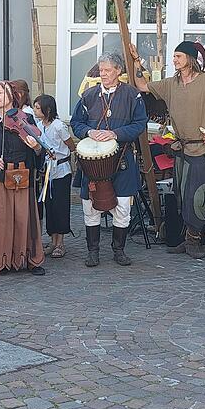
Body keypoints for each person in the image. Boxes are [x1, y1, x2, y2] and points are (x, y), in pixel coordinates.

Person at [130, 41, 205, 259]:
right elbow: (142, 85)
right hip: (181, 148)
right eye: (174, 56)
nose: (174, 60)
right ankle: (185, 239)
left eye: (178, 56)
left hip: (200, 149)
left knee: (197, 197)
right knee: (180, 196)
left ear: (190, 59)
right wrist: (136, 61)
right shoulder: (171, 84)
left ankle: (194, 241)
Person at [70, 53, 148, 267]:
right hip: (92, 164)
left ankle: (119, 250)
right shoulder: (88, 95)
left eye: (107, 70)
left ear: (118, 71)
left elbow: (141, 124)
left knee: (122, 206)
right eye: (100, 70)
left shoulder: (132, 96)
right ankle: (93, 252)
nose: (102, 74)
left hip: (121, 160)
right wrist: (88, 132)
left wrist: (116, 134)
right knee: (90, 206)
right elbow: (76, 123)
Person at [0, 82, 45, 275]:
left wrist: (35, 147)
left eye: (1, 93)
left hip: (21, 175)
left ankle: (29, 259)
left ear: (13, 96)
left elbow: (40, 148)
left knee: (24, 218)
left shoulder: (26, 118)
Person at [33, 94, 75, 258]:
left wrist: (58, 154)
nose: (35, 110)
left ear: (47, 109)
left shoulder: (59, 126)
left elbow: (70, 145)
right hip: (47, 171)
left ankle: (61, 243)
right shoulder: (39, 125)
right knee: (49, 205)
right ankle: (52, 240)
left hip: (61, 170)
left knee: (60, 206)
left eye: (38, 108)